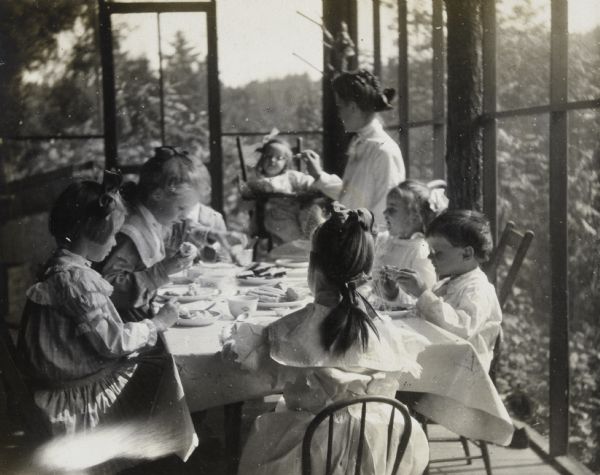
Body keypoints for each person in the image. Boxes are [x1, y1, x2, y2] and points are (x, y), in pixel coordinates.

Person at [223, 203, 429, 475]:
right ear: (366, 270)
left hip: (309, 457)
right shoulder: (385, 330)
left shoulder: (292, 328)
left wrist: (233, 343)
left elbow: (248, 366)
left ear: (314, 268)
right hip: (376, 455)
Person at [17, 176, 195, 458]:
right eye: (113, 234)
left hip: (65, 383)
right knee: (162, 367)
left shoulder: (61, 267)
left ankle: (169, 445)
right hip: (73, 402)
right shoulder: (78, 281)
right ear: (93, 229)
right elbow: (113, 343)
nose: (114, 242)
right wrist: (158, 322)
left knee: (153, 359)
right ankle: (163, 451)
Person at [101, 146, 201, 322]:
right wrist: (162, 270)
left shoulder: (152, 220)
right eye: (181, 208)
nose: (185, 215)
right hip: (126, 326)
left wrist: (178, 256)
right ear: (157, 195)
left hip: (145, 317)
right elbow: (108, 289)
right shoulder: (131, 232)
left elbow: (146, 261)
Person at [394, 209, 502, 371]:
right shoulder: (449, 281)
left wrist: (423, 293)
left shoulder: (478, 289)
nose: (430, 258)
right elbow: (425, 313)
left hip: (460, 370)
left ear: (467, 254)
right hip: (441, 357)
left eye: (438, 253)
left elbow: (462, 328)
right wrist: (394, 294)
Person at [300, 69, 405, 228]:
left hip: (368, 245)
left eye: (340, 107)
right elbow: (352, 196)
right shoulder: (362, 143)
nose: (339, 115)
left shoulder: (382, 150)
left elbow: (384, 214)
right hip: (351, 238)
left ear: (353, 107)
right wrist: (319, 176)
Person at [372, 180, 448, 310]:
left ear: (414, 217)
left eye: (392, 209)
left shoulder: (421, 251)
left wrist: (394, 295)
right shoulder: (385, 239)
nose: (385, 213)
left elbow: (426, 301)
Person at [240, 138, 322, 246]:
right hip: (275, 214)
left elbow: (312, 184)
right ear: (261, 159)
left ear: (286, 162)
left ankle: (313, 243)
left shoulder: (292, 176)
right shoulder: (260, 182)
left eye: (279, 158)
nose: (272, 160)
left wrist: (311, 189)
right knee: (285, 226)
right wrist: (251, 192)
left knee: (314, 212)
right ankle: (299, 247)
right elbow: (245, 202)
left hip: (300, 211)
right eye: (268, 156)